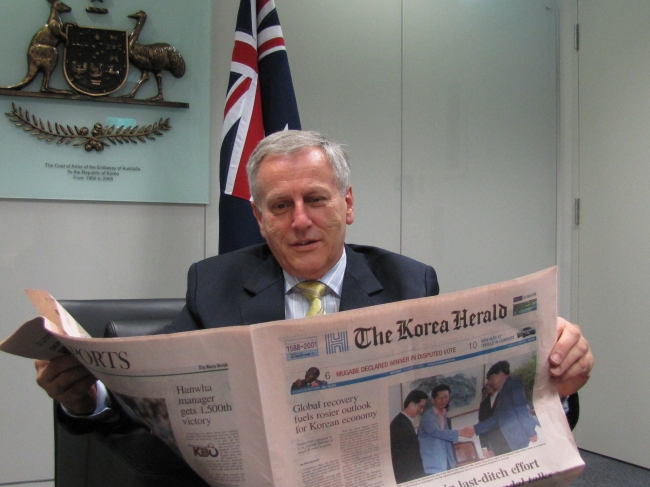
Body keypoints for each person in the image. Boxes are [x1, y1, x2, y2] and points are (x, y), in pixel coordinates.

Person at [34, 130, 593, 449]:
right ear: (259, 218)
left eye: (317, 199)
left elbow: (456, 398)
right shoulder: (214, 285)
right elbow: (162, 405)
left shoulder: (408, 281)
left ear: (347, 205)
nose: (300, 220)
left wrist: (557, 382)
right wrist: (87, 400)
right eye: (281, 206)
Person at [466, 361, 538, 453]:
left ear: (500, 374)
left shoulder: (513, 382)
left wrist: (530, 432)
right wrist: (475, 429)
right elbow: (497, 418)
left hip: (521, 437)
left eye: (490, 379)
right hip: (509, 441)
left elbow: (521, 408)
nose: (489, 383)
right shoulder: (502, 392)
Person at [418, 385, 473, 474]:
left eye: (446, 397)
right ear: (433, 400)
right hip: (433, 466)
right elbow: (437, 432)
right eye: (440, 398)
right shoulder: (427, 417)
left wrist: (453, 462)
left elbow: (447, 441)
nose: (444, 401)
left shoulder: (444, 415)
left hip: (447, 462)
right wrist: (460, 432)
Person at [390, 389, 428, 483]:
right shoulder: (399, 424)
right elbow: (405, 457)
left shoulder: (404, 421)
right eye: (421, 406)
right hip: (408, 477)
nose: (421, 410)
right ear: (411, 404)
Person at [477, 383, 510, 457]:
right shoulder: (483, 405)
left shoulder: (506, 396)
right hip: (496, 444)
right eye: (484, 393)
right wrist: (485, 447)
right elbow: (481, 426)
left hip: (513, 438)